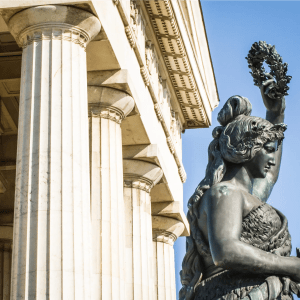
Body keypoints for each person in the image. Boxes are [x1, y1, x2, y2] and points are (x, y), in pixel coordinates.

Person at [179, 77, 300, 300]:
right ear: (248, 148)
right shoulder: (224, 193)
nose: (272, 159)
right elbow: (226, 251)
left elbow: (271, 176)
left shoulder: (247, 195)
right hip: (234, 293)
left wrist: (275, 114)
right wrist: (290, 266)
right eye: (268, 149)